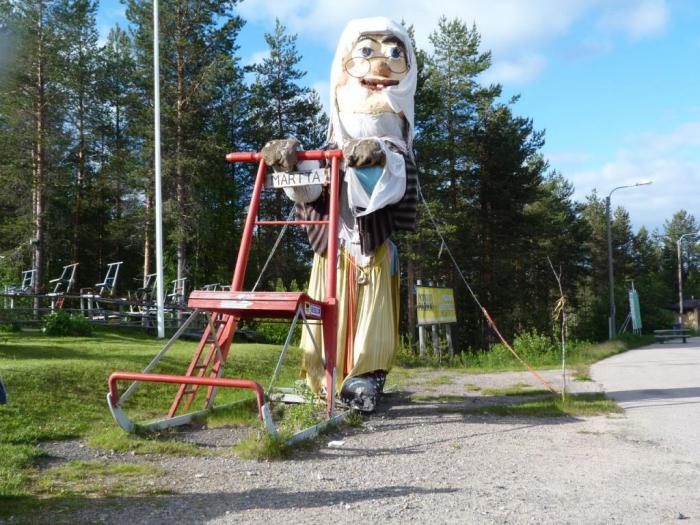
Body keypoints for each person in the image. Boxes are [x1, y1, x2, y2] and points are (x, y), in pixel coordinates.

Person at [262, 17, 417, 411]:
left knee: (371, 316)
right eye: (366, 51)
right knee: (322, 305)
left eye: (393, 53)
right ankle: (319, 375)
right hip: (333, 246)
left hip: (371, 247)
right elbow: (313, 191)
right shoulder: (332, 144)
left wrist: (376, 158)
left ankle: (366, 375)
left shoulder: (398, 152)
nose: (380, 64)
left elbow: (390, 188)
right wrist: (290, 165)